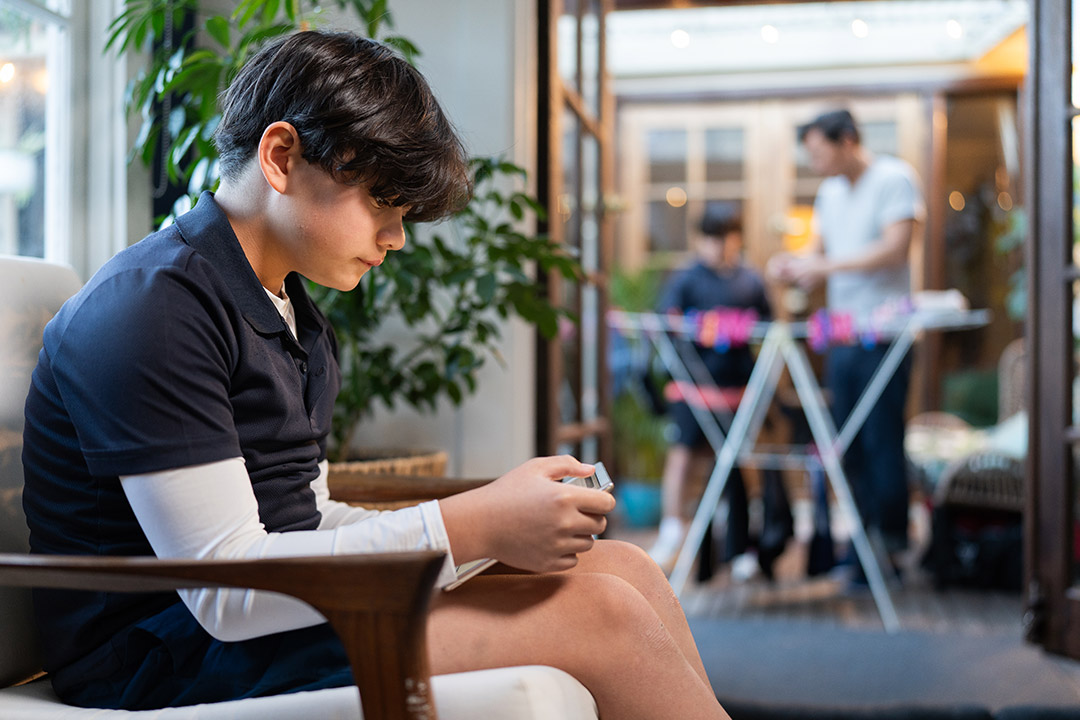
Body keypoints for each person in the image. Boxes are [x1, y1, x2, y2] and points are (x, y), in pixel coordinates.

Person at [21, 31, 728, 720]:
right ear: (280, 155)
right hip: (160, 653)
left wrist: (489, 530)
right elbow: (225, 591)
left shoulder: (293, 317)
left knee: (625, 570)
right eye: (382, 204)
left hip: (259, 618)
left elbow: (304, 519)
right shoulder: (153, 307)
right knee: (598, 614)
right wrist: (471, 524)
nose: (396, 237)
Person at [768, 108, 925, 575]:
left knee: (882, 440)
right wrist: (794, 263)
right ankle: (861, 545)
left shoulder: (895, 178)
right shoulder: (829, 193)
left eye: (819, 151)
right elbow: (818, 251)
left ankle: (890, 548)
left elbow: (896, 248)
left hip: (885, 336)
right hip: (842, 337)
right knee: (847, 444)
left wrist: (823, 267)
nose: (815, 163)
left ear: (848, 140)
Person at [647, 206, 788, 580]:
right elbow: (665, 322)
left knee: (740, 464)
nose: (717, 246)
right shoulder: (686, 278)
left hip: (738, 388)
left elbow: (770, 328)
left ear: (736, 238)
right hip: (692, 387)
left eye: (723, 238)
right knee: (683, 457)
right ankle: (671, 529)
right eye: (710, 238)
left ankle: (741, 544)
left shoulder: (750, 279)